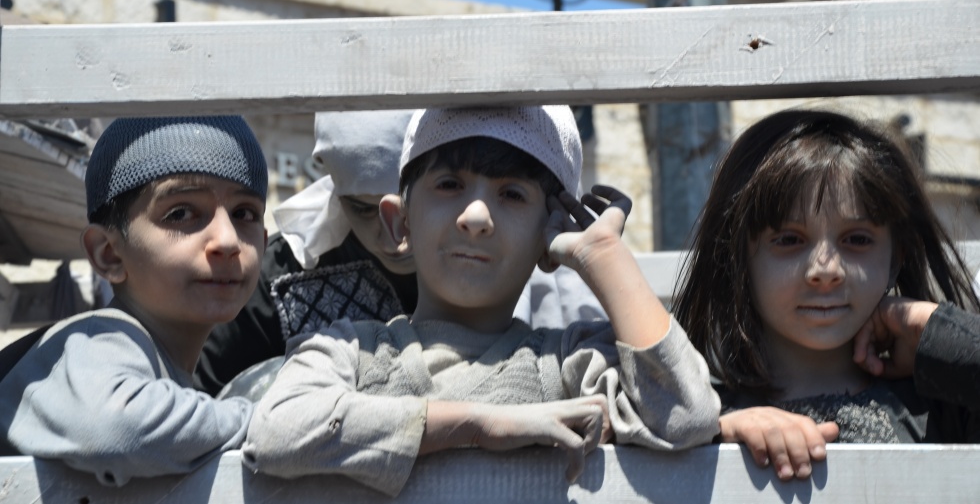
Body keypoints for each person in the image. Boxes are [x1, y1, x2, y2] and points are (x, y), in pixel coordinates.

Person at [242, 105, 720, 496]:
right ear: (398, 222)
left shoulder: (567, 363)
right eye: (449, 185)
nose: (475, 216)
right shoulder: (348, 350)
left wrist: (604, 255)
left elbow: (686, 415)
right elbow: (277, 431)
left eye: (511, 194)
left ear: (551, 233)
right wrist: (478, 424)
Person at [195, 109, 606, 398]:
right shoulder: (290, 291)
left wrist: (604, 257)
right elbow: (239, 410)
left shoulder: (536, 304)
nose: (393, 241)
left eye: (510, 195)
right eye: (362, 210)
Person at [671, 108, 980, 482]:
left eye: (857, 240)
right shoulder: (689, 415)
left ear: (895, 259)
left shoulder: (943, 409)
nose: (825, 269)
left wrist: (934, 329)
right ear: (738, 261)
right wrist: (714, 435)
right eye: (789, 240)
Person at [0, 116, 269, 486]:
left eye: (244, 214)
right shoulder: (98, 340)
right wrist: (272, 422)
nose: (227, 240)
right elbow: (115, 427)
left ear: (264, 243)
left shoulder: (159, 369)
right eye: (181, 213)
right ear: (109, 253)